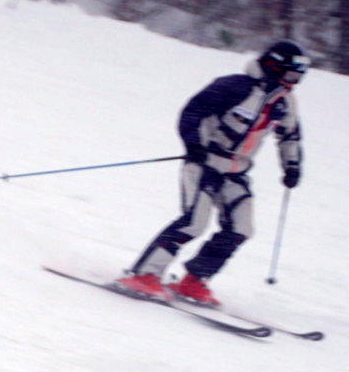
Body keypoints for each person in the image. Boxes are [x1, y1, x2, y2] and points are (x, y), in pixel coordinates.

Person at [117, 39, 307, 306]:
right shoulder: (235, 86)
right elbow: (192, 111)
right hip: (205, 163)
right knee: (194, 222)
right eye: (290, 74)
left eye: (299, 77)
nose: (294, 82)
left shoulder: (285, 103)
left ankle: (194, 280)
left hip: (235, 171)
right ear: (273, 66)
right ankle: (143, 275)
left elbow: (291, 137)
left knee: (241, 228)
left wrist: (292, 166)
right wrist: (194, 143)